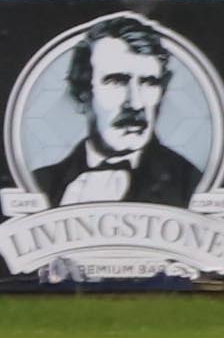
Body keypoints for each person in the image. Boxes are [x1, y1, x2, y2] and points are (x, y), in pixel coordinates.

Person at [34, 15, 203, 208]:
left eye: (149, 82)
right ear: (81, 93)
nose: (136, 103)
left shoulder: (190, 183)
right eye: (117, 81)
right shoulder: (43, 185)